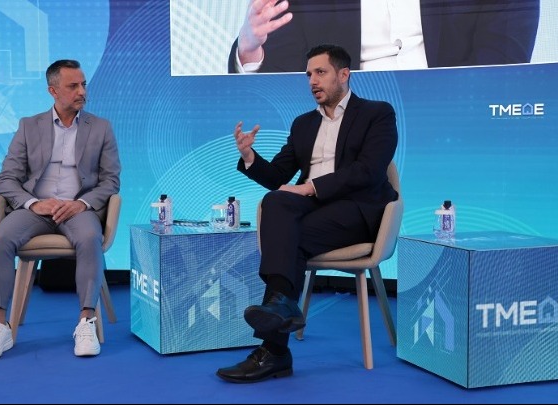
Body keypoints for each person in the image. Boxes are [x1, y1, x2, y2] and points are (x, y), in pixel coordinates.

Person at [216, 44, 398, 383]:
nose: (313, 81)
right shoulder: (303, 124)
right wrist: (250, 156)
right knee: (275, 202)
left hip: (358, 210)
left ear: (344, 75)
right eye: (309, 74)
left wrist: (311, 187)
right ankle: (281, 308)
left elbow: (369, 171)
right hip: (314, 212)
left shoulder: (377, 114)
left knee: (289, 237)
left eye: (321, 72)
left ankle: (274, 350)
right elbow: (277, 176)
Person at [0, 59, 121, 359]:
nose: (82, 91)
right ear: (53, 91)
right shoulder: (29, 126)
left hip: (78, 210)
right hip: (34, 210)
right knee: (1, 238)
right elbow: (6, 178)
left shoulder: (101, 127)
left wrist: (81, 203)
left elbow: (111, 181)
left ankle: (86, 321)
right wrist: (34, 203)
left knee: (89, 238)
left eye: (83, 85)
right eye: (73, 86)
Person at [229, 0, 540, 73]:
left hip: (454, 114)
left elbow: (504, 58)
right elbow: (282, 79)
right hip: (346, 132)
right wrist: (250, 49)